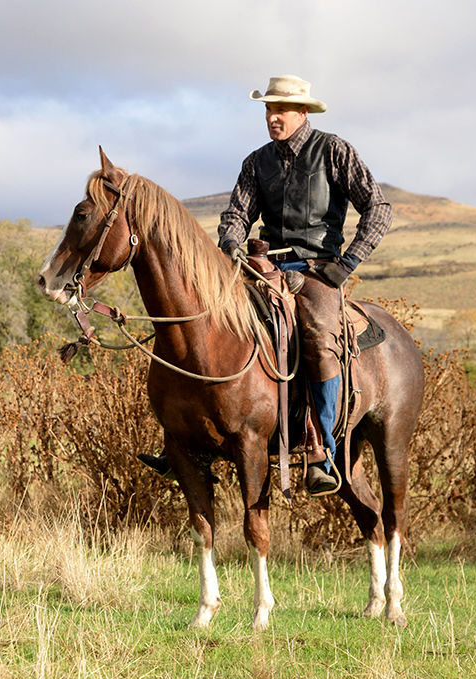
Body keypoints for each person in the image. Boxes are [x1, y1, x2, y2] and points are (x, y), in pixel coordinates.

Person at [140, 74, 393, 495]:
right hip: (261, 267)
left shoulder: (334, 150)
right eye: (268, 110)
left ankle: (323, 450)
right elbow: (236, 214)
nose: (272, 118)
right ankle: (183, 437)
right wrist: (232, 243)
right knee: (202, 324)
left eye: (280, 110)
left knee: (318, 340)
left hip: (317, 271)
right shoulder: (257, 161)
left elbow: (379, 210)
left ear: (302, 112)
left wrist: (346, 264)